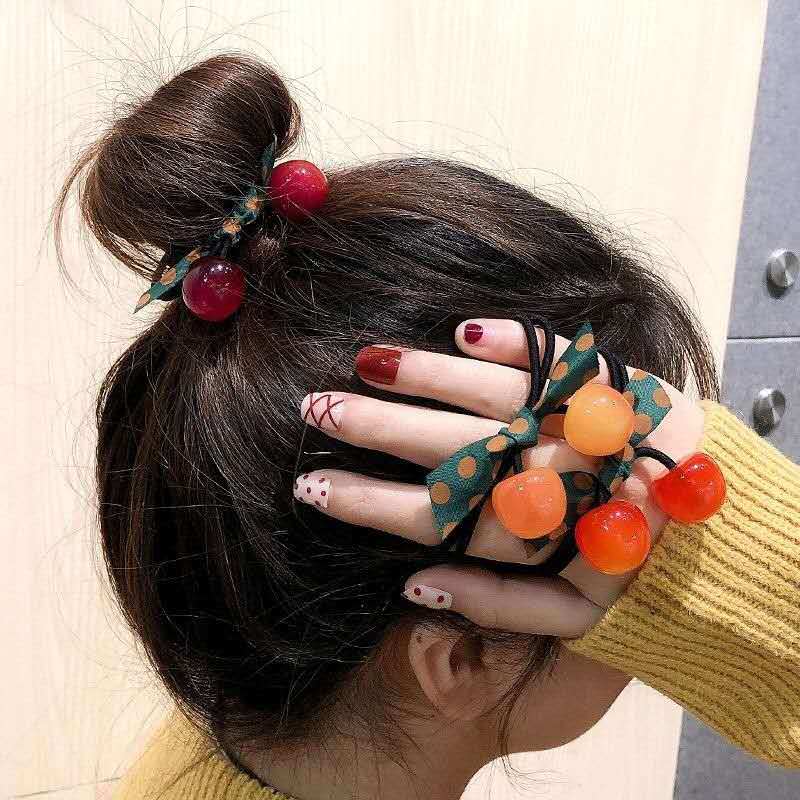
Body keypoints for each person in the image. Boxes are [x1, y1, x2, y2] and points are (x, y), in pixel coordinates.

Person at [56, 55, 799, 800]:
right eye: (654, 533)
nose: (661, 519)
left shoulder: (229, 729)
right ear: (463, 661)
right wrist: (753, 579)